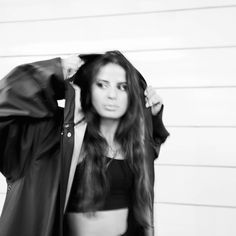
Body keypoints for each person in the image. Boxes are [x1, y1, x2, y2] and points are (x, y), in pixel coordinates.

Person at [0, 51, 169, 236]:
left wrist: (152, 119)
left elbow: (150, 153)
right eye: (102, 84)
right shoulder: (44, 133)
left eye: (122, 86)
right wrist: (54, 71)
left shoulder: (132, 143)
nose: (112, 94)